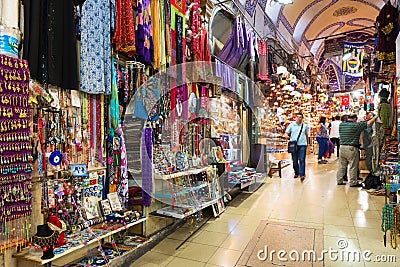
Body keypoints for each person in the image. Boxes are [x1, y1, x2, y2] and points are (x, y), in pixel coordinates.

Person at [337, 113, 378, 187]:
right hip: (351, 148)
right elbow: (368, 123)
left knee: (341, 165)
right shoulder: (356, 125)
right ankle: (353, 182)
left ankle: (339, 180)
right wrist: (376, 117)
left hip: (342, 147)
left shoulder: (341, 125)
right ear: (355, 119)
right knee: (353, 166)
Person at [284, 113, 310, 182]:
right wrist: (287, 136)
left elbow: (307, 135)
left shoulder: (305, 126)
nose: (298, 118)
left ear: (302, 118)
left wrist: (307, 143)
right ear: (295, 118)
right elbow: (286, 133)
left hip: (302, 145)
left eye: (300, 117)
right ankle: (297, 172)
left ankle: (302, 174)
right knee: (294, 160)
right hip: (293, 145)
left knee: (302, 159)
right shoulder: (291, 125)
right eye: (297, 117)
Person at [361, 111, 374, 176]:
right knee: (369, 158)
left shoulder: (370, 124)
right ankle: (371, 171)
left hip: (371, 145)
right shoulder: (365, 124)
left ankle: (372, 171)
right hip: (368, 145)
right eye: (369, 116)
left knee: (371, 158)